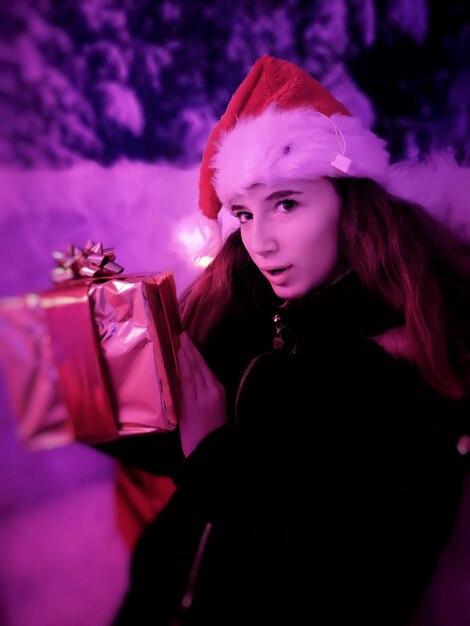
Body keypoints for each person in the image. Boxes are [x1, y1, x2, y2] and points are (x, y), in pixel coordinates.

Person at [101, 55, 470, 625]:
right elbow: (163, 439)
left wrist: (211, 453)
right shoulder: (244, 302)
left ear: (350, 200)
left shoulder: (413, 346)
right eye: (244, 214)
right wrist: (95, 370)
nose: (262, 243)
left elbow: (356, 571)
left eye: (287, 204)